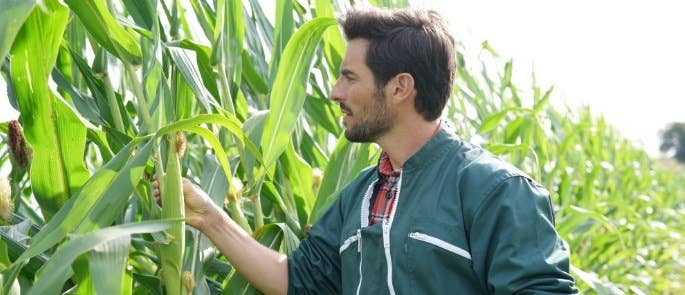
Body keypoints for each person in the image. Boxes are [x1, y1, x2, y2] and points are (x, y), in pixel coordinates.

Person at [155, 7, 577, 295]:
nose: (335, 92)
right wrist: (211, 218)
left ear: (399, 87)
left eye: (350, 78)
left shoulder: (495, 192)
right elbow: (295, 280)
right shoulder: (358, 197)